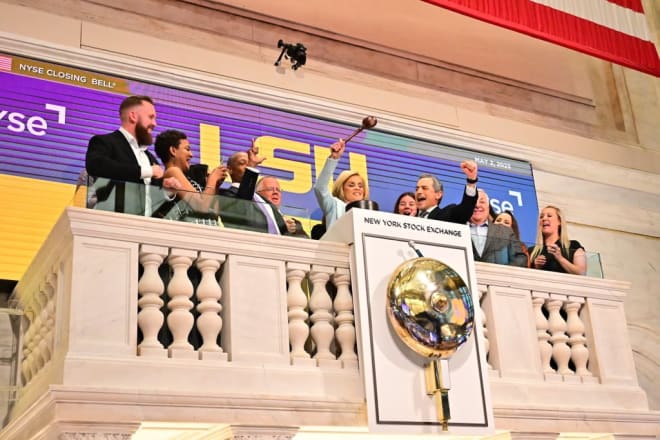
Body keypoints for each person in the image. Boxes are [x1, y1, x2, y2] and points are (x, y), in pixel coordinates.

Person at [85, 95, 180, 215]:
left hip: (146, 228)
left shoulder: (149, 157)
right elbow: (96, 166)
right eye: (150, 117)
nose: (154, 123)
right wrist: (146, 171)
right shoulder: (105, 142)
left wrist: (167, 191)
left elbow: (151, 199)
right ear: (133, 116)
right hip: (113, 225)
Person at [153, 129, 227, 226]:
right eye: (187, 149)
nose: (191, 154)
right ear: (173, 150)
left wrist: (216, 185)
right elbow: (200, 207)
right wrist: (212, 179)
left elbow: (212, 214)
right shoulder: (172, 172)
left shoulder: (188, 179)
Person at [219, 143, 289, 234]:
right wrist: (251, 168)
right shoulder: (225, 195)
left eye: (249, 163)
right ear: (230, 170)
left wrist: (286, 226)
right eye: (242, 163)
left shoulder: (262, 199)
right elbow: (243, 207)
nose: (247, 166)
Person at [314, 139, 370, 229]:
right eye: (351, 185)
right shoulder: (334, 205)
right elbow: (320, 188)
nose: (357, 188)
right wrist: (334, 158)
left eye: (360, 186)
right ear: (342, 189)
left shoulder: (370, 213)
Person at [469, 190, 527, 266]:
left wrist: (502, 272)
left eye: (482, 202)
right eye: (473, 201)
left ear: (488, 207)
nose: (477, 205)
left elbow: (521, 259)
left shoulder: (506, 232)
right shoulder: (459, 227)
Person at [528, 205, 587, 275]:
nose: (544, 219)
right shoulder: (531, 251)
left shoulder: (573, 246)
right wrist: (536, 267)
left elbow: (581, 272)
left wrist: (560, 258)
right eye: (541, 217)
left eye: (549, 216)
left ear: (559, 221)